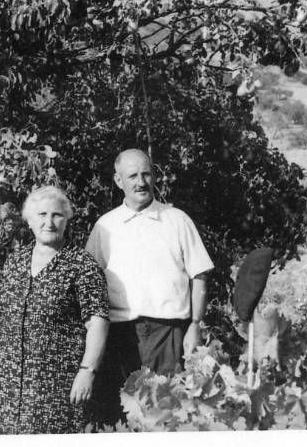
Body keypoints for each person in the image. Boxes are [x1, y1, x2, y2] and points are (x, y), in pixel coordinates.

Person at [85, 148, 214, 425]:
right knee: (121, 417)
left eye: (146, 174)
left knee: (169, 413)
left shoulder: (177, 220)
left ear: (154, 175)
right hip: (119, 337)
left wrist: (195, 325)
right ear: (119, 181)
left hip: (169, 334)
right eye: (132, 176)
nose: (140, 182)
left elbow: (200, 274)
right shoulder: (105, 226)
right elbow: (88, 283)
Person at [0, 186, 108, 435]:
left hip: (54, 385)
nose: (49, 222)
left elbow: (97, 322)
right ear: (30, 221)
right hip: (6, 381)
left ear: (66, 220)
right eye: (42, 214)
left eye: (57, 215)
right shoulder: (16, 260)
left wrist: (87, 371)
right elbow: (0, 312)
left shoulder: (82, 265)